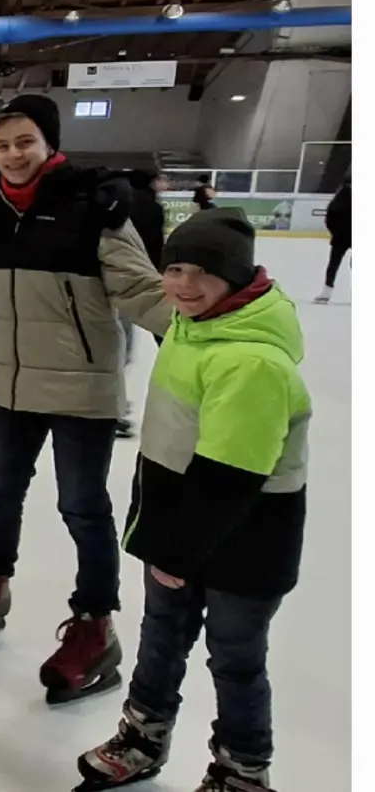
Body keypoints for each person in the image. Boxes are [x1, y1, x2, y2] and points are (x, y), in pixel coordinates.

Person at [0, 95, 171, 706]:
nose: (13, 155)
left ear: (49, 143)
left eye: (25, 142)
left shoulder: (94, 205)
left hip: (82, 386)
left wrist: (212, 330)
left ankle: (96, 624)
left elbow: (142, 289)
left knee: (83, 507)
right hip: (11, 383)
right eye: (3, 144)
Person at [74, 209, 306, 792]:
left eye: (204, 271)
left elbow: (230, 475)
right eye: (174, 267)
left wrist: (174, 551)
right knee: (161, 638)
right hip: (180, 525)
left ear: (237, 276)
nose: (183, 284)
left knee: (235, 658)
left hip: (245, 539)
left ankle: (241, 771)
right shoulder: (194, 324)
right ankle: (143, 735)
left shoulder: (250, 359)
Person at [118, 169, 172, 438]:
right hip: (145, 279)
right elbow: (155, 243)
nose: (165, 183)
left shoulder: (121, 203)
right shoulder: (150, 206)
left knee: (118, 345)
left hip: (119, 281)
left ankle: (115, 407)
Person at [314, 180, 350, 303]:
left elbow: (330, 217)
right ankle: (326, 292)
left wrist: (335, 232)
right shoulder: (341, 199)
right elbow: (330, 217)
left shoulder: (339, 199)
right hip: (342, 236)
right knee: (334, 264)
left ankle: (326, 292)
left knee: (333, 264)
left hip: (340, 237)